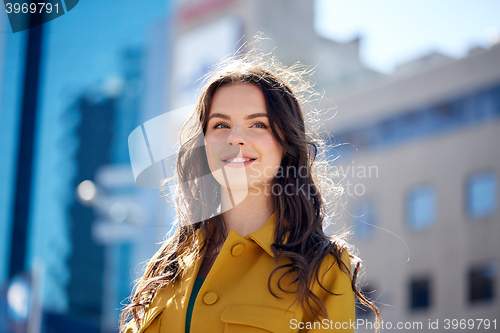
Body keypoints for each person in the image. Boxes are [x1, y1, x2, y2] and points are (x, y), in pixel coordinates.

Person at [120, 50, 379, 333]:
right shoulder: (167, 267)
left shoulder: (325, 268)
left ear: (286, 143)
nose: (235, 138)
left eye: (258, 124)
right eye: (221, 125)